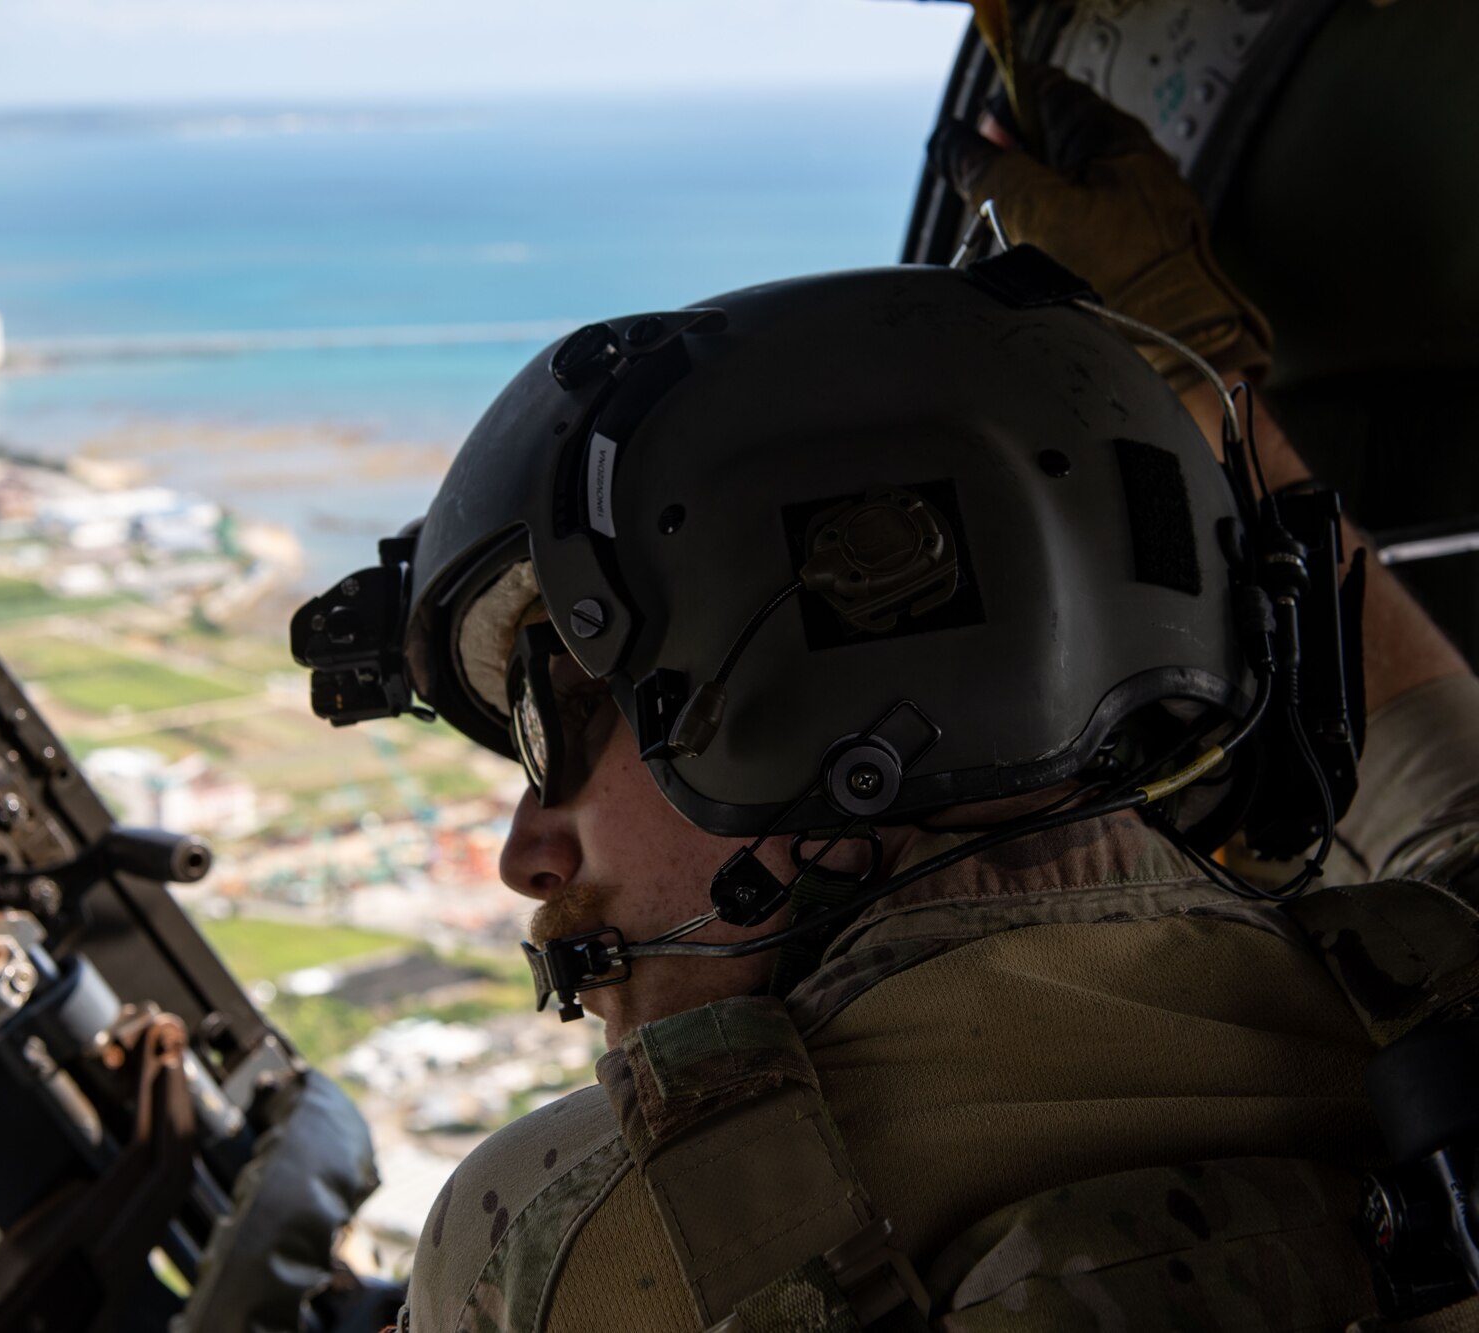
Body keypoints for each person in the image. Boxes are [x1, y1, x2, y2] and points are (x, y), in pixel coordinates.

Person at [293, 74, 1479, 1332]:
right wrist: (1195, 388)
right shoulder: (1443, 990)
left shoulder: (560, 1244)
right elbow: (1443, 769)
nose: (524, 855)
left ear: (795, 699)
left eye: (553, 733)